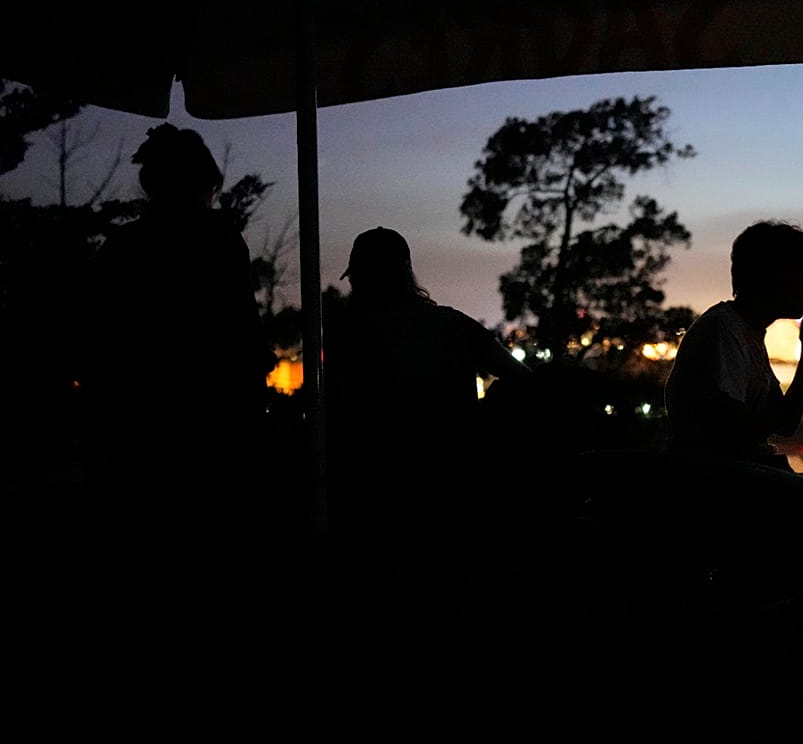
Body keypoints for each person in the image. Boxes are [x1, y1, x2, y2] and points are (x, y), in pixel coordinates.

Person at [663, 220, 803, 594]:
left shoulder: (747, 333)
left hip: (741, 477)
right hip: (720, 485)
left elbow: (785, 423)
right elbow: (733, 430)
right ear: (767, 276)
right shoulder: (724, 332)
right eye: (800, 274)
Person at [84, 122, 273, 522]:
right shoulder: (217, 241)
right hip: (210, 428)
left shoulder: (121, 247)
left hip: (130, 432)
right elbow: (239, 333)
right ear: (196, 184)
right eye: (209, 190)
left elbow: (97, 341)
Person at [322, 226, 532, 538]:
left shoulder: (348, 337)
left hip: (371, 496)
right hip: (451, 487)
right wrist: (482, 422)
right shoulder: (451, 325)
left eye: (358, 276)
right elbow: (522, 379)